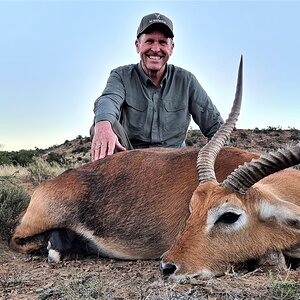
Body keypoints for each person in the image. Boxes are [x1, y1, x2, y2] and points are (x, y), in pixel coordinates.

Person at [91, 12, 223, 161]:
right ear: (137, 45)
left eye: (162, 42)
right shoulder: (121, 75)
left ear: (171, 47)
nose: (155, 49)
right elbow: (108, 100)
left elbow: (215, 125)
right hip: (130, 162)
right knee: (104, 124)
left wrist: (218, 162)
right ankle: (112, 182)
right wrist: (102, 125)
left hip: (174, 163)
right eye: (149, 41)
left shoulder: (186, 80)